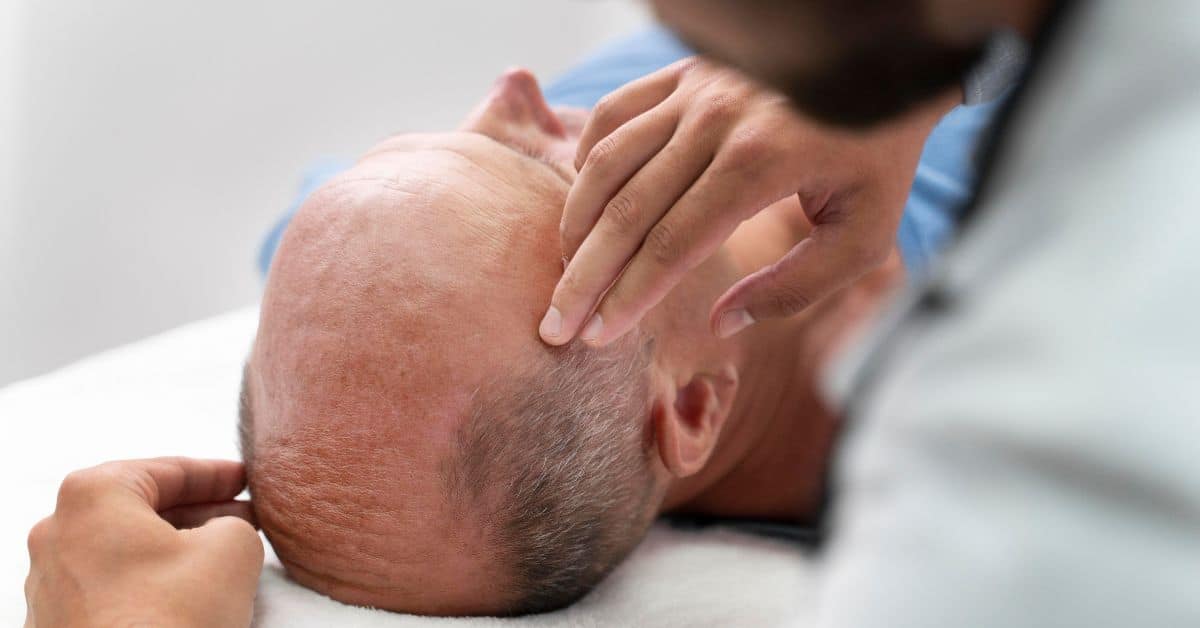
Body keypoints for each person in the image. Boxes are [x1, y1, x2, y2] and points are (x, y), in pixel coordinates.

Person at [21, 20, 1037, 627]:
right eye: (549, 170)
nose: (518, 91)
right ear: (687, 405)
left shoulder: (376, 264)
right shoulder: (1049, 378)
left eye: (443, 150)